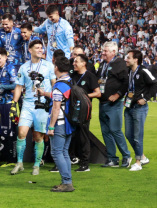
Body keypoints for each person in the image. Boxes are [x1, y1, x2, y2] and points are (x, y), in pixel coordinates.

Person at [10, 39, 56, 175]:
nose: (41, 50)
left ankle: (36, 165)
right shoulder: (24, 67)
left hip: (42, 104)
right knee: (22, 133)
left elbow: (54, 83)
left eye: (41, 48)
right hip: (28, 104)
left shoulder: (48, 66)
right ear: (30, 50)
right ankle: (19, 163)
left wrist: (54, 99)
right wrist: (14, 103)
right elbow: (19, 86)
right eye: (37, 48)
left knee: (38, 136)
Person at [96, 41, 132, 168]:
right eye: (103, 50)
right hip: (103, 102)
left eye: (105, 51)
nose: (103, 53)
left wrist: (117, 95)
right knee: (105, 131)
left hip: (114, 103)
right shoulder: (102, 65)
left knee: (115, 130)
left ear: (113, 52)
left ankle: (126, 156)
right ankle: (112, 158)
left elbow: (125, 82)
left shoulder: (119, 63)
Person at [124, 50, 157, 171]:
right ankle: (143, 157)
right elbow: (130, 88)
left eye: (128, 57)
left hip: (139, 108)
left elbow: (156, 85)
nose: (126, 59)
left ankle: (138, 163)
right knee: (128, 134)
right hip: (129, 106)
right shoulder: (129, 71)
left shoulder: (144, 71)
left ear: (135, 60)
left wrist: (145, 98)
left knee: (137, 136)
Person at [44, 56, 76, 192]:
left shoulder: (58, 87)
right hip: (69, 122)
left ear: (56, 68)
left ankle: (67, 182)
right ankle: (67, 181)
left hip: (60, 124)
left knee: (57, 153)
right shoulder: (70, 81)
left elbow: (56, 108)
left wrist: (51, 127)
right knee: (64, 152)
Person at [67, 54, 101, 172]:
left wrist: (83, 96)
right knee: (71, 135)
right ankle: (71, 158)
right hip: (72, 110)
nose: (74, 64)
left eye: (76, 62)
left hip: (84, 111)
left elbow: (98, 93)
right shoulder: (73, 76)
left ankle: (85, 163)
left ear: (83, 63)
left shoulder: (90, 76)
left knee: (83, 137)